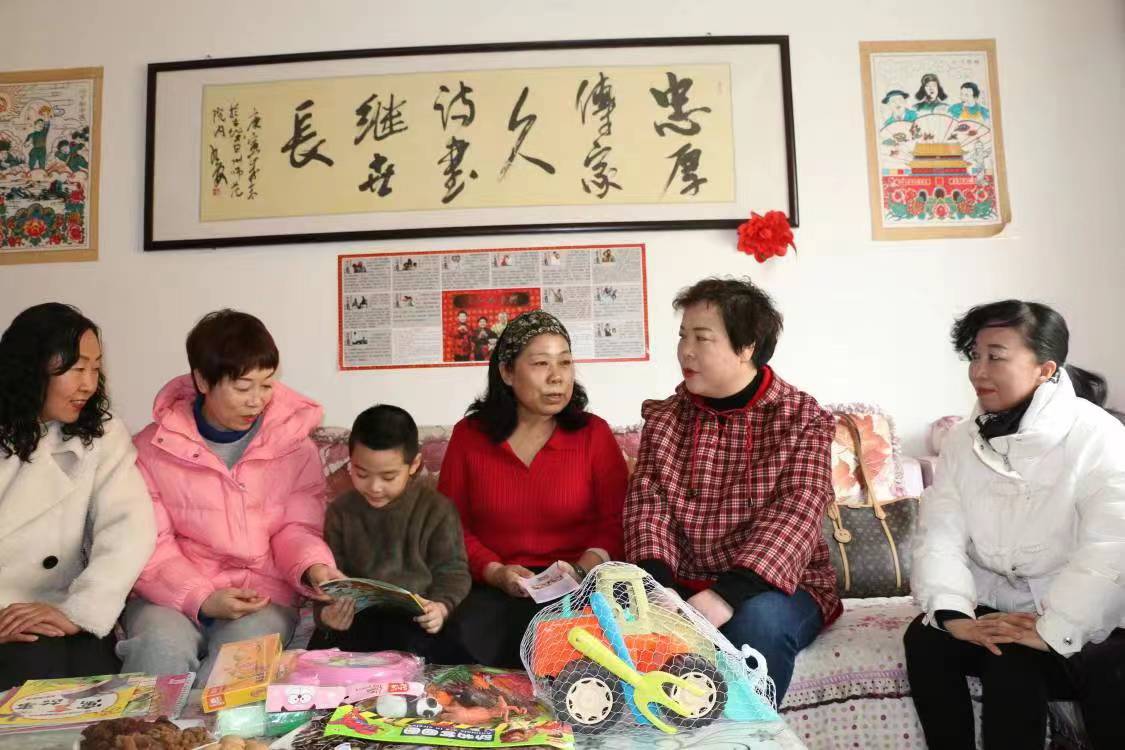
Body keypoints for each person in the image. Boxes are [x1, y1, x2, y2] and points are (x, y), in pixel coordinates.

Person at [906, 300, 1125, 749]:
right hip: (1001, 604)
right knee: (926, 638)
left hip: (1087, 614)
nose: (978, 371)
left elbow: (1111, 546)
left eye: (996, 356)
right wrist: (953, 613)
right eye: (975, 356)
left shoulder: (1099, 437)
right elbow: (940, 531)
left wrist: (1056, 626)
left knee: (1012, 662)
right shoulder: (963, 439)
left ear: (1045, 369)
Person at [624, 278, 839, 703]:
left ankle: (746, 734)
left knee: (757, 625)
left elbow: (796, 512)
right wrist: (658, 588)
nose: (685, 351)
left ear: (747, 347)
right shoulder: (666, 418)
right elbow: (648, 506)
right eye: (682, 336)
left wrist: (726, 595)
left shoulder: (802, 419)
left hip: (775, 586)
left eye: (702, 338)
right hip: (679, 584)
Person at [117, 310, 340, 682]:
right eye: (243, 387)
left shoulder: (295, 447)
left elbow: (297, 528)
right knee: (159, 647)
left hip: (261, 595)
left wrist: (313, 567)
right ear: (202, 380)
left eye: (266, 385)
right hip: (169, 594)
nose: (257, 401)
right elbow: (151, 545)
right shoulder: (151, 449)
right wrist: (202, 598)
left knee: (240, 664)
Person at [439, 310, 628, 667]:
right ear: (507, 372)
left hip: (579, 585)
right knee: (458, 636)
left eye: (565, 362)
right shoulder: (469, 436)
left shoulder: (593, 434)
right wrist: (495, 572)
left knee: (586, 644)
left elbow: (617, 521)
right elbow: (450, 525)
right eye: (541, 363)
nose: (557, 377)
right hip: (496, 585)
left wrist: (581, 569)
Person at [0, 303, 155, 690]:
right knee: (34, 668)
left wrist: (80, 612)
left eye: (95, 369)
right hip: (4, 619)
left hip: (59, 606)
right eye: (76, 368)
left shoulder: (100, 434)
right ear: (32, 367)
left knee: (95, 678)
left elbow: (128, 528)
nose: (88, 384)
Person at [309, 405, 470, 661]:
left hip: (417, 620)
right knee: (321, 660)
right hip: (359, 621)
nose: (374, 487)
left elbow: (453, 571)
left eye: (388, 477)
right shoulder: (341, 511)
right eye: (361, 473)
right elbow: (328, 578)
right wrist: (326, 614)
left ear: (414, 464)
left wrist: (440, 607)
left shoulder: (437, 509)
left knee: (441, 652)